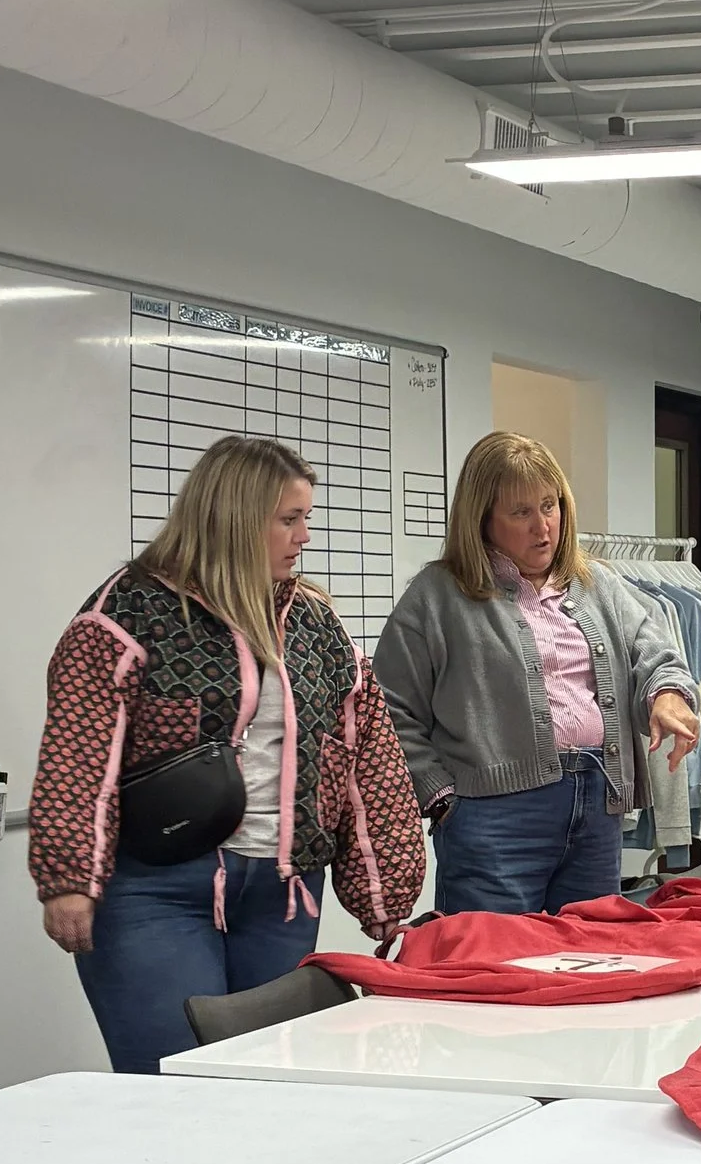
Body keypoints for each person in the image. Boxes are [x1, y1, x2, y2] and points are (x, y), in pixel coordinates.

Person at [31, 435, 426, 1074]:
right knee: (173, 1079)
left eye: (306, 519)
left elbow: (365, 752)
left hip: (284, 887)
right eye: (289, 520)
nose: (303, 536)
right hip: (156, 889)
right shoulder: (128, 611)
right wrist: (69, 877)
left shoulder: (313, 620)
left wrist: (386, 891)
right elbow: (79, 751)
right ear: (237, 519)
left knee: (275, 1080)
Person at [374, 431, 700, 915]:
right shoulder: (437, 595)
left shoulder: (598, 583)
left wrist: (667, 693)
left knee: (590, 962)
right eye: (521, 512)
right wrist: (440, 797)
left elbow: (653, 651)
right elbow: (388, 709)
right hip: (494, 820)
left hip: (596, 805)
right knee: (496, 969)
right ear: (482, 519)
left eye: (550, 506)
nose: (542, 526)